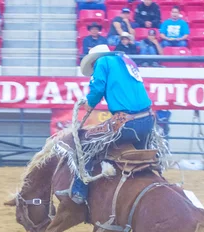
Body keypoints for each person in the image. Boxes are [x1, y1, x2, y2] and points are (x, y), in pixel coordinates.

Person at [61, 44, 154, 204]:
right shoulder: (126, 61)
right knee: (140, 156)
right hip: (148, 120)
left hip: (127, 123)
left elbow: (97, 88)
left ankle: (80, 190)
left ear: (95, 59)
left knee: (85, 142)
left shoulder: (102, 62)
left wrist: (89, 103)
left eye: (93, 66)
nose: (94, 69)